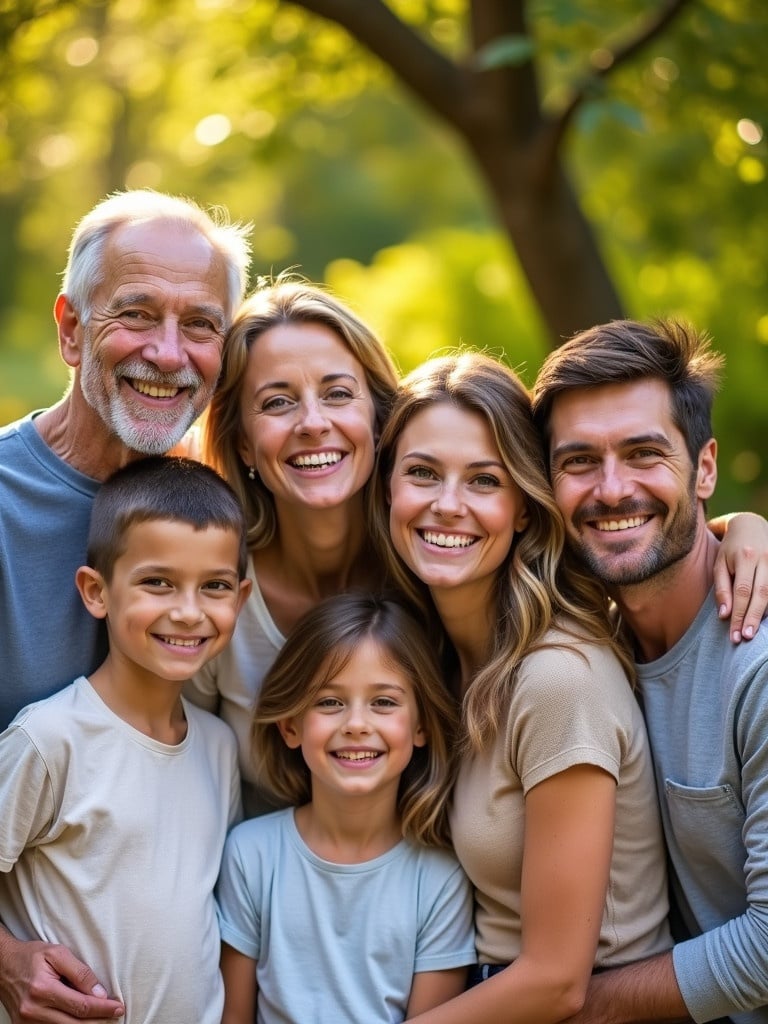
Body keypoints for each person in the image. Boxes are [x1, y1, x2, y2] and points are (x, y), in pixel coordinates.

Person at [367, 351, 672, 1024]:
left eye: (484, 480)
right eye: (422, 474)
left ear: (526, 509)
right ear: (388, 487)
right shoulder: (440, 654)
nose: (448, 506)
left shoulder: (557, 678)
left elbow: (557, 980)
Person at [530, 318, 768, 1024]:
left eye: (643, 453)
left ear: (705, 468)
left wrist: (562, 1008)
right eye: (578, 462)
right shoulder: (586, 639)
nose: (611, 490)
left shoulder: (755, 664)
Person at [0, 456, 251, 1024]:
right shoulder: (49, 739)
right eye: (157, 583)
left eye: (214, 587)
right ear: (96, 592)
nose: (188, 612)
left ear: (240, 598)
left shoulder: (217, 746)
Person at [0, 188, 251, 732]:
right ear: (72, 330)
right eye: (137, 315)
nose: (167, 353)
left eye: (200, 325)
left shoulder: (223, 507)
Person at [185, 277, 399, 814]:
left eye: (337, 394)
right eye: (278, 402)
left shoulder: (429, 568)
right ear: (242, 443)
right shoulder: (213, 589)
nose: (313, 423)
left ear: (376, 416)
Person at [215, 592, 476, 1024]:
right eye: (330, 702)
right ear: (291, 725)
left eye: (384, 702)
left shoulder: (440, 879)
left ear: (422, 726)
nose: (356, 724)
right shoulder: (250, 855)